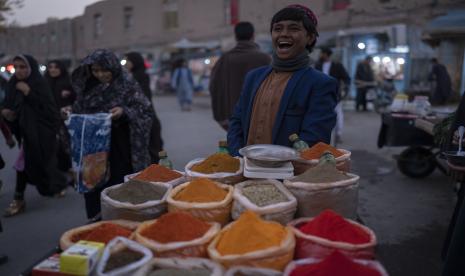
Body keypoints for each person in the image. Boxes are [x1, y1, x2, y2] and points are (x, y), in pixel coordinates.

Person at [227, 4, 337, 156]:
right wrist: (237, 158)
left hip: (289, 175)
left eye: (293, 28)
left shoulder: (320, 83)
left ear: (310, 38)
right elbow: (236, 122)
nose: (284, 34)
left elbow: (314, 138)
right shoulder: (253, 77)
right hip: (247, 172)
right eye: (277, 29)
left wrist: (280, 168)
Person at [71, 49, 153, 220]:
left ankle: (122, 222)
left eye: (104, 70)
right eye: (96, 70)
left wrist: (124, 112)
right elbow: (79, 109)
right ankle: (98, 222)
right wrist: (70, 113)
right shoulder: (87, 85)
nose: (100, 74)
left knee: (118, 188)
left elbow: (144, 110)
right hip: (93, 148)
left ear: (113, 67)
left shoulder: (126, 84)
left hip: (120, 146)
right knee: (94, 188)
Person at [1, 55, 68, 217]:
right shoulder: (12, 84)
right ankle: (59, 184)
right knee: (36, 163)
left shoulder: (39, 83)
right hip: (25, 133)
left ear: (31, 68)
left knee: (23, 165)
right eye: (16, 67)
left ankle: (19, 199)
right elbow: (10, 106)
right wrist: (6, 113)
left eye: (23, 67)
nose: (19, 71)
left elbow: (50, 111)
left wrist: (29, 93)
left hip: (42, 133)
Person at [209, 21, 271, 131]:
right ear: (253, 36)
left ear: (236, 37)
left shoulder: (225, 59)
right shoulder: (265, 59)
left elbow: (214, 87)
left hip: (232, 119)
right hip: (263, 119)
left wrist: (220, 117)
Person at [124, 52, 164, 163]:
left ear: (135, 62)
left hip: (146, 118)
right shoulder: (134, 76)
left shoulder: (139, 77)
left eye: (128, 60)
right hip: (145, 118)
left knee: (151, 149)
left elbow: (142, 100)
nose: (126, 63)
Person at [315, 47, 350, 143]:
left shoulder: (337, 66)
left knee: (338, 115)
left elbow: (347, 78)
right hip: (320, 95)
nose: (320, 55)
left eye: (322, 53)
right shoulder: (318, 65)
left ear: (326, 54)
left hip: (335, 95)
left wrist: (344, 90)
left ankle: (338, 134)